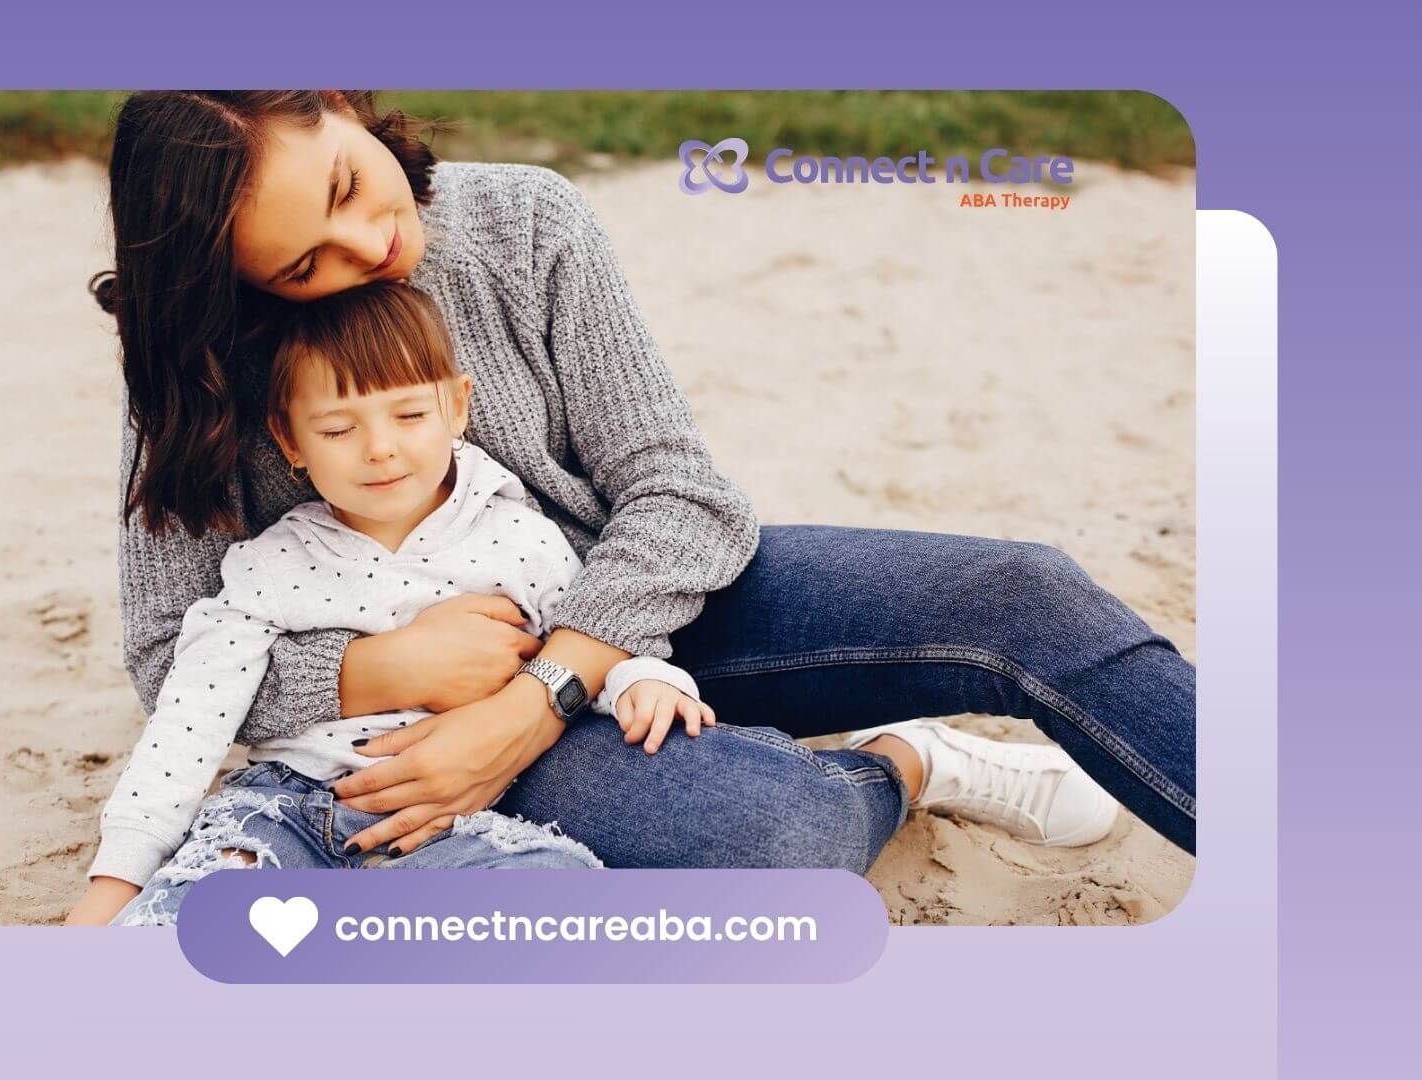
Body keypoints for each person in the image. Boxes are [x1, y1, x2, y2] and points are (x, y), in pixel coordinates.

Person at [92, 91, 1193, 884]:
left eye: (344, 185)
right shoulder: (198, 369)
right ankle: (910, 762)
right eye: (302, 266)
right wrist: (381, 669)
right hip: (429, 728)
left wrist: (540, 697)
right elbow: (165, 654)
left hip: (639, 618)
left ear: (336, 102)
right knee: (777, 838)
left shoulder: (527, 221)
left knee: (1026, 593)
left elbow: (680, 495)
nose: (367, 243)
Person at [67, 284, 715, 926]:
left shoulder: (521, 541)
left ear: (456, 407)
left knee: (557, 887)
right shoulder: (269, 567)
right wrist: (117, 876)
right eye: (338, 428)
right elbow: (189, 722)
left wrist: (643, 680)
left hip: (454, 821)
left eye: (409, 416)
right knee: (186, 914)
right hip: (288, 808)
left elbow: (588, 643)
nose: (379, 448)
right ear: (289, 440)